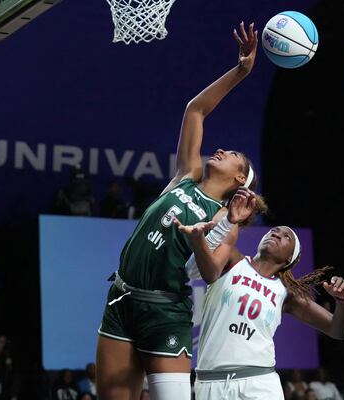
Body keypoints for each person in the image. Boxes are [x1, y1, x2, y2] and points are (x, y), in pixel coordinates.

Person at [96, 20, 261, 400]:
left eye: (232, 154)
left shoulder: (225, 218)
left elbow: (208, 272)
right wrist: (240, 71)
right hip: (122, 300)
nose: (221, 150)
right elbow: (195, 110)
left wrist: (206, 234)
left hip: (165, 313)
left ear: (240, 179)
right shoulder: (185, 177)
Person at [174, 216, 344, 400]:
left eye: (286, 236)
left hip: (258, 382)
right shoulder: (233, 260)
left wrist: (342, 301)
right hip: (210, 382)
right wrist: (199, 238)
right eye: (274, 230)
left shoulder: (286, 294)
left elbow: (337, 330)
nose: (276, 233)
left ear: (290, 258)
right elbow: (196, 268)